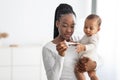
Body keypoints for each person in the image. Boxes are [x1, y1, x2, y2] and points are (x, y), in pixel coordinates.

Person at [42, 3, 97, 80]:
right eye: (65, 25)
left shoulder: (79, 40)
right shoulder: (48, 48)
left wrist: (94, 65)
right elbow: (52, 79)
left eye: (72, 26)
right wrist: (60, 56)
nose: (69, 30)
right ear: (57, 23)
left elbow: (99, 57)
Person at [75, 14, 102, 80]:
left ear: (98, 29)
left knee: (78, 70)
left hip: (88, 57)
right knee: (92, 75)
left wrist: (84, 47)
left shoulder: (94, 36)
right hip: (91, 58)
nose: (87, 30)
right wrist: (75, 42)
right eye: (85, 27)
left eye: (91, 28)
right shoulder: (86, 36)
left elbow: (93, 45)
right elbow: (81, 41)